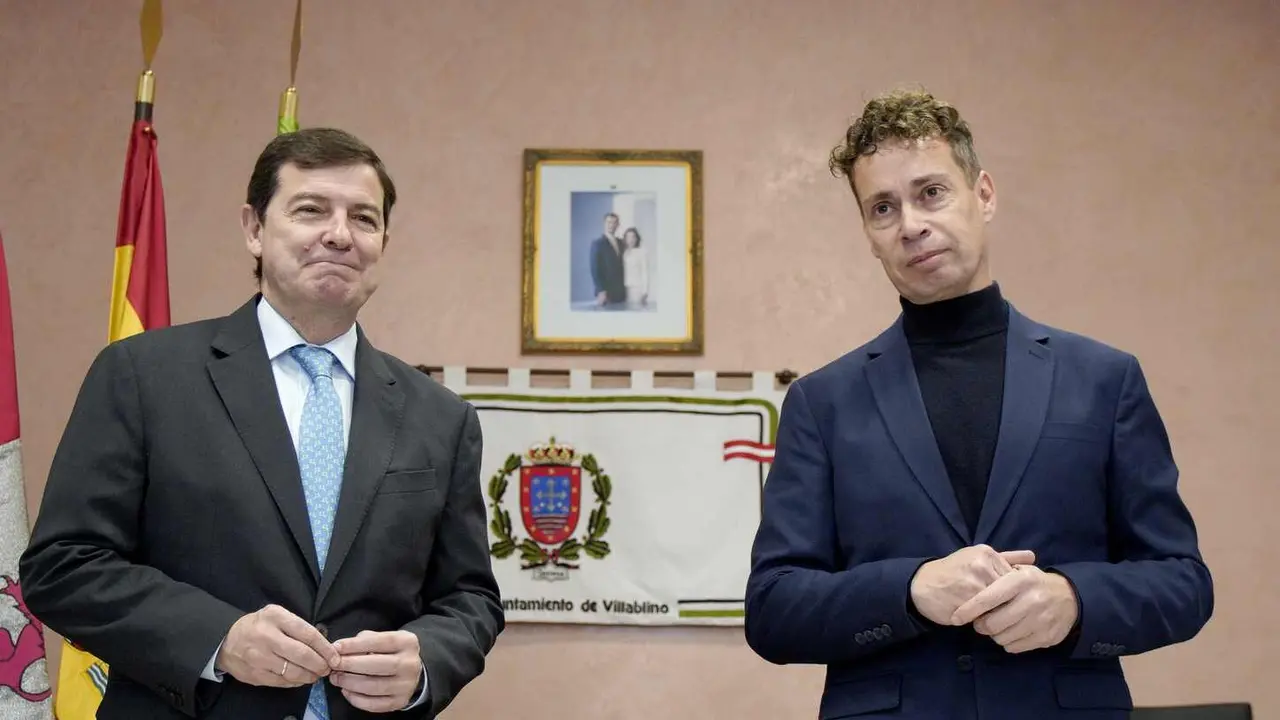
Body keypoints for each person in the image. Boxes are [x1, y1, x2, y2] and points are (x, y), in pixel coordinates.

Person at [743, 89, 1212, 719]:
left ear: (983, 194)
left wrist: (1075, 600)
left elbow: (1183, 582)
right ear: (869, 234)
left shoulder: (1104, 379)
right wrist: (909, 590)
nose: (911, 224)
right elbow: (773, 608)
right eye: (883, 207)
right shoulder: (821, 403)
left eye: (931, 192)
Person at [20, 127, 504, 719]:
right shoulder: (144, 376)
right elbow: (62, 565)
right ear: (253, 228)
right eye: (310, 211)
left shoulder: (441, 416)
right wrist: (218, 639)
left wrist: (427, 660)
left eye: (364, 219)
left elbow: (469, 597)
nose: (338, 234)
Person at [588, 212, 627, 307]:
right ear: (604, 224)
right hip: (606, 292)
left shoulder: (621, 242)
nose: (612, 225)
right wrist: (601, 290)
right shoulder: (597, 243)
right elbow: (595, 269)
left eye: (614, 223)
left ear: (618, 225)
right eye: (609, 222)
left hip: (621, 291)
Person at [621, 227, 650, 308]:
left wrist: (645, 292)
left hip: (637, 288)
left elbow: (645, 272)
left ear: (637, 238)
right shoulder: (624, 252)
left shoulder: (642, 252)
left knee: (636, 309)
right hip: (625, 288)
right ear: (625, 239)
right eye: (628, 237)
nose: (631, 239)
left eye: (633, 237)